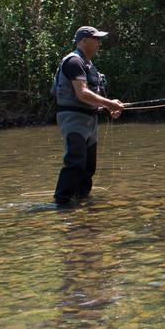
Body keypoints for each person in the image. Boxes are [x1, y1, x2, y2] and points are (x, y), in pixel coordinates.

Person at [52, 26, 125, 206]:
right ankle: (61, 204)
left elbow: (92, 95)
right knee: (75, 162)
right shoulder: (74, 62)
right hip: (73, 119)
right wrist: (110, 104)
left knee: (88, 167)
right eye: (96, 39)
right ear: (83, 40)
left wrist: (108, 106)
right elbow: (82, 94)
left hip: (89, 120)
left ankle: (81, 201)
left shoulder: (88, 64)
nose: (99, 43)